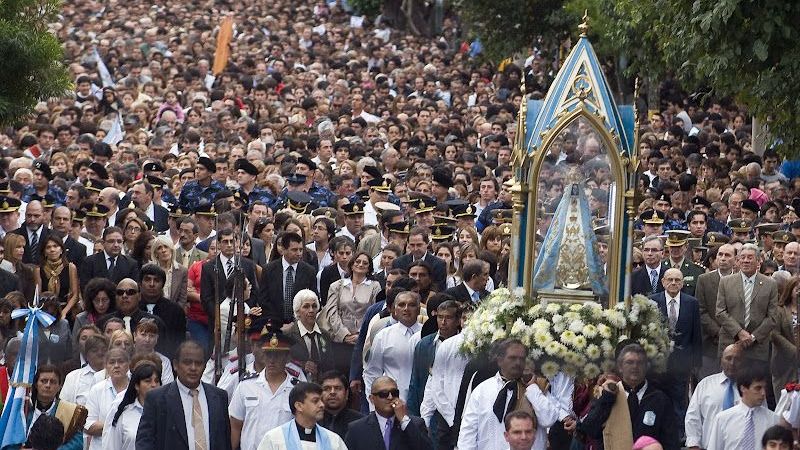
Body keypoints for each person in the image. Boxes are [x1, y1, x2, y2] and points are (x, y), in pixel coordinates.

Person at [458, 338, 572, 450]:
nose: (518, 363)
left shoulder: (538, 387)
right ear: (500, 360)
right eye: (512, 358)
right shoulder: (482, 390)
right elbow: (468, 433)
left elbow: (549, 419)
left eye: (521, 359)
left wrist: (532, 389)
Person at [578, 343, 679, 449]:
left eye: (640, 363)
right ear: (620, 367)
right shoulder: (606, 394)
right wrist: (607, 399)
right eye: (629, 362)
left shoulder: (659, 399)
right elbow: (590, 429)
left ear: (646, 367)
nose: (635, 367)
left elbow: (671, 442)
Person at [136, 340, 232, 450]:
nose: (193, 368)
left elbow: (225, 441)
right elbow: (144, 442)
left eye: (198, 363)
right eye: (187, 362)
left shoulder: (219, 397)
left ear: (205, 366)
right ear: (175, 365)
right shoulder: (157, 399)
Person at [649, 267, 702, 430]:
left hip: (681, 363)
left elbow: (696, 334)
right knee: (656, 399)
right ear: (663, 282)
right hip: (658, 363)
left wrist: (695, 362)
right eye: (670, 280)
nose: (673, 283)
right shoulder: (652, 301)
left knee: (679, 401)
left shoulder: (691, 303)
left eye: (677, 280)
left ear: (682, 283)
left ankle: (679, 434)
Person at [230, 329, 299, 450]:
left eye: (277, 355)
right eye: (268, 354)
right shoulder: (246, 386)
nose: (272, 360)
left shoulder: (297, 390)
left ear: (287, 358)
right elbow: (235, 425)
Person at [716, 243, 779, 363]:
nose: (745, 261)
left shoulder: (770, 284)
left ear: (758, 261)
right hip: (730, 343)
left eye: (750, 258)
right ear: (738, 261)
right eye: (742, 257)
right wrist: (739, 332)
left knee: (754, 382)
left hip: (757, 348)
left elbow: (772, 317)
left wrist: (752, 337)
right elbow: (720, 312)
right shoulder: (726, 282)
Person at [363, 291, 423, 404]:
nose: (406, 308)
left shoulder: (428, 334)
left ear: (419, 309)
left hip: (423, 400)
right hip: (391, 401)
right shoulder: (383, 336)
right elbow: (372, 372)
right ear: (395, 309)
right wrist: (374, 404)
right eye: (401, 305)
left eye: (411, 305)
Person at [344, 376, 433, 450]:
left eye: (394, 393)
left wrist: (404, 420)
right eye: (383, 394)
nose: (390, 397)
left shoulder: (416, 424)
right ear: (372, 399)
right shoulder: (357, 429)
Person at [706, 364, 783, 449]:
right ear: (743, 388)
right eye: (758, 388)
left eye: (765, 388)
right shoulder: (722, 419)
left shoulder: (773, 419)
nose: (763, 393)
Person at [256, 381, 349, 450]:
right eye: (315, 401)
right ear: (299, 406)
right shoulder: (274, 438)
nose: (322, 405)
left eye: (321, 400)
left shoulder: (333, 440)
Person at [407, 299, 461, 416]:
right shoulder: (424, 345)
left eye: (449, 318)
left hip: (454, 408)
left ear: (458, 321)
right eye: (440, 317)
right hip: (427, 408)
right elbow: (415, 382)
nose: (443, 322)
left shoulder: (465, 346)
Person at [685, 343, 743, 449]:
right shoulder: (705, 385)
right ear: (721, 361)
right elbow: (693, 418)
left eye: (737, 359)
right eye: (728, 358)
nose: (732, 363)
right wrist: (694, 445)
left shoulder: (751, 388)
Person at [16, 365, 85, 450]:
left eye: (53, 382)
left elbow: (77, 443)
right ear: (36, 384)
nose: (48, 385)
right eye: (43, 381)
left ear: (60, 386)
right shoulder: (23, 409)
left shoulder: (71, 411)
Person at [696, 243, 736, 378]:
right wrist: (719, 333)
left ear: (735, 259)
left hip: (736, 341)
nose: (723, 258)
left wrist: (734, 332)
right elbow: (701, 310)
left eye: (728, 255)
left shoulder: (742, 280)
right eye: (720, 254)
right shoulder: (704, 280)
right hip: (710, 344)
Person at [260, 232, 319, 325]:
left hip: (300, 324)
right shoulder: (269, 270)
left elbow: (313, 298)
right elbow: (264, 300)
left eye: (301, 250)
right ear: (283, 250)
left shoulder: (309, 271)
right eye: (294, 250)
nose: (299, 253)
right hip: (274, 324)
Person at [102, 360, 162, 450]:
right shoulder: (124, 413)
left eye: (157, 381)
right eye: (148, 381)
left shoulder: (166, 412)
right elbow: (112, 446)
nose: (153, 385)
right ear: (137, 386)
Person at [83, 346, 131, 450]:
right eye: (112, 362)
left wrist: (106, 426)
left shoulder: (136, 389)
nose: (116, 366)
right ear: (105, 366)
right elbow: (88, 425)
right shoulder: (97, 390)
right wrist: (118, 426)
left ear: (128, 365)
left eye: (121, 361)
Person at [138, 263, 187, 358]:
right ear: (140, 283)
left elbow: (178, 344)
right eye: (147, 279)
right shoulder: (134, 308)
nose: (152, 284)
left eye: (156, 280)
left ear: (163, 284)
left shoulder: (175, 311)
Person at [286, 289, 336, 382]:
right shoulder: (288, 335)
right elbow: (284, 363)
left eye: (314, 306)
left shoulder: (324, 335)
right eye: (306, 307)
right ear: (297, 311)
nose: (311, 310)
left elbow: (330, 366)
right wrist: (302, 364)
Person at [78, 227, 140, 291]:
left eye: (119, 241)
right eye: (111, 241)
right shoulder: (90, 262)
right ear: (103, 242)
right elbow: (85, 288)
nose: (116, 245)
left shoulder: (131, 264)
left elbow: (133, 290)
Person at [391, 227, 447, 291]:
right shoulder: (398, 263)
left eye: (419, 245)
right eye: (412, 245)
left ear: (427, 243)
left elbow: (440, 289)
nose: (415, 249)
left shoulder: (438, 264)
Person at [38, 234, 80, 319]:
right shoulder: (39, 270)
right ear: (44, 252)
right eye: (48, 247)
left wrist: (63, 313)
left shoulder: (70, 268)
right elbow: (38, 294)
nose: (52, 249)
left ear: (61, 250)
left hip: (66, 310)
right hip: (45, 312)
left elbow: (75, 295)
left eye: (55, 246)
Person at [770, 276, 799, 399]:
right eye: (797, 289)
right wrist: (794, 350)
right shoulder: (779, 310)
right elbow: (774, 334)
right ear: (790, 290)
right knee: (784, 404)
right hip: (784, 363)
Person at [60, 334, 108, 406]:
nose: (100, 353)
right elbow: (63, 406)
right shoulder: (72, 377)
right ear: (86, 355)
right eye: (94, 350)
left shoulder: (114, 376)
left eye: (104, 350)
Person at [318, 371, 364, 440]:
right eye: (327, 389)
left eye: (337, 388)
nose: (332, 392)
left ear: (347, 393)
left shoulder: (361, 422)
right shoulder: (311, 421)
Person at [150, 235, 188, 307]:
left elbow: (182, 299)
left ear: (171, 250)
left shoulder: (182, 271)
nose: (163, 250)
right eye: (159, 248)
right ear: (156, 254)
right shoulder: (149, 269)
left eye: (166, 246)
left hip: (175, 311)